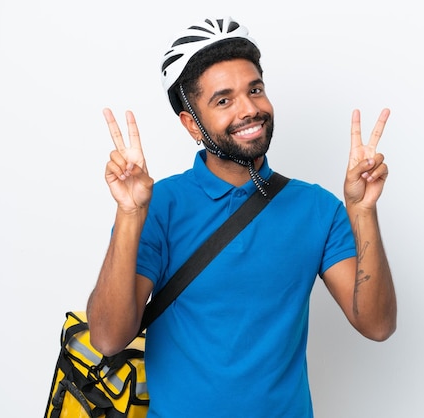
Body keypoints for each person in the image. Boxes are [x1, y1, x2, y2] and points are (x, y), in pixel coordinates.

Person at [86, 16, 397, 418]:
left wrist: (363, 211)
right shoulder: (158, 204)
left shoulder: (317, 208)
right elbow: (109, 338)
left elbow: (377, 325)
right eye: (223, 100)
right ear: (191, 125)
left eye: (255, 90)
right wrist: (129, 215)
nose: (249, 109)